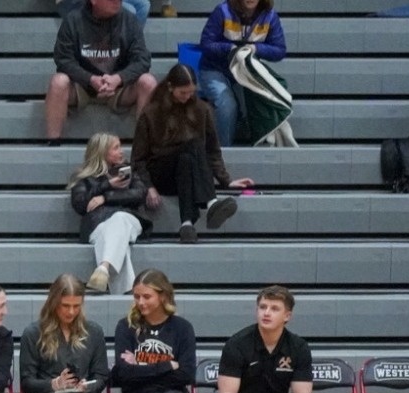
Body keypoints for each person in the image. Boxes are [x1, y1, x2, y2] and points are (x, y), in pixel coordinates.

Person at [134, 64, 254, 245]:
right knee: (193, 146)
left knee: (188, 157)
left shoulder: (202, 109)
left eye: (191, 92)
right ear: (170, 87)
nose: (188, 96)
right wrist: (148, 186)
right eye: (183, 92)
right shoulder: (151, 113)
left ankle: (187, 224)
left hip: (188, 172)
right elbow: (138, 158)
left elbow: (213, 150)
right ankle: (211, 202)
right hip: (160, 173)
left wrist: (226, 180)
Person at [45, 0, 156, 146]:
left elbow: (142, 60)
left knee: (149, 82)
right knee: (58, 82)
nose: (117, 1)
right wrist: (90, 79)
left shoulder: (129, 20)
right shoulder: (73, 19)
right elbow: (63, 59)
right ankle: (53, 142)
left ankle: (145, 145)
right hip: (82, 85)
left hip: (118, 87)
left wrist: (119, 78)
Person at [69, 134, 150, 296]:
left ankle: (104, 266)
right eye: (116, 148)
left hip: (128, 219)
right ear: (102, 152)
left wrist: (106, 197)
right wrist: (107, 184)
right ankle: (122, 292)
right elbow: (80, 204)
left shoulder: (129, 172)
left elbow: (140, 194)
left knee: (119, 219)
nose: (121, 152)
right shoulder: (83, 177)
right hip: (98, 224)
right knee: (115, 242)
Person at [197, 0, 286, 147]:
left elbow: (280, 50)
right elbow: (206, 44)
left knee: (261, 102)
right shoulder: (222, 11)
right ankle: (223, 152)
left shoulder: (270, 16)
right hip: (214, 69)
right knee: (227, 106)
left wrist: (256, 49)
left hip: (245, 73)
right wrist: (230, 49)